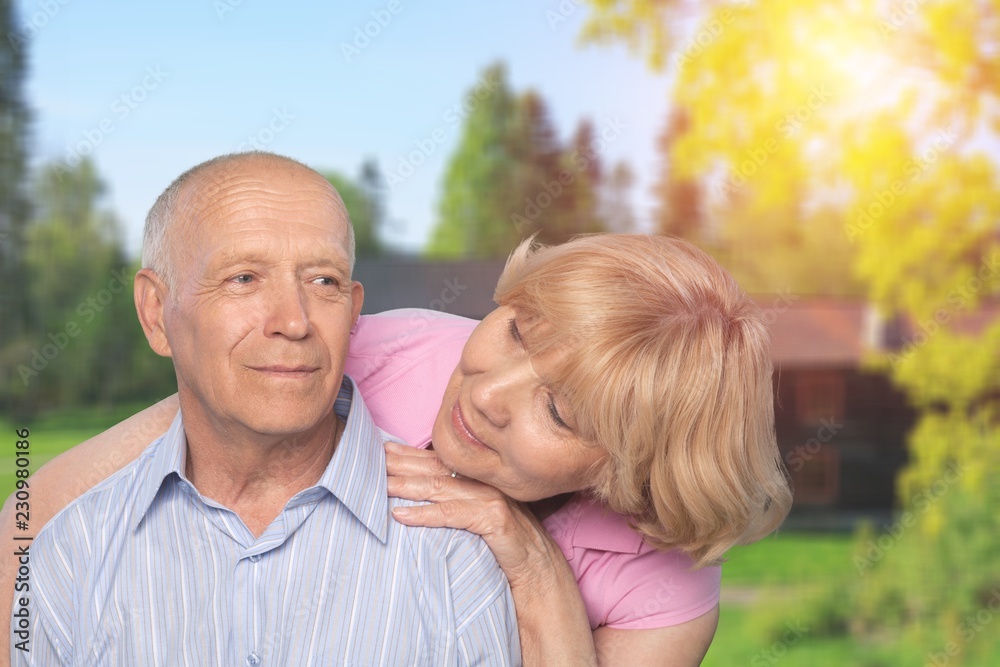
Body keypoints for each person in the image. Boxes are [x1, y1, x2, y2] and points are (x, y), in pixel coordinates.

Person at [2, 171, 793, 666]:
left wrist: (527, 555)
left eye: (556, 409)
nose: (485, 389)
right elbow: (41, 513)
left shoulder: (660, 586)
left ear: (627, 467)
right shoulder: (396, 350)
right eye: (517, 329)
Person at [7, 153, 521, 666]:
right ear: (156, 313)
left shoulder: (457, 553)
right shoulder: (72, 554)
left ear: (353, 311)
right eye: (244, 278)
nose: (294, 321)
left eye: (324, 282)